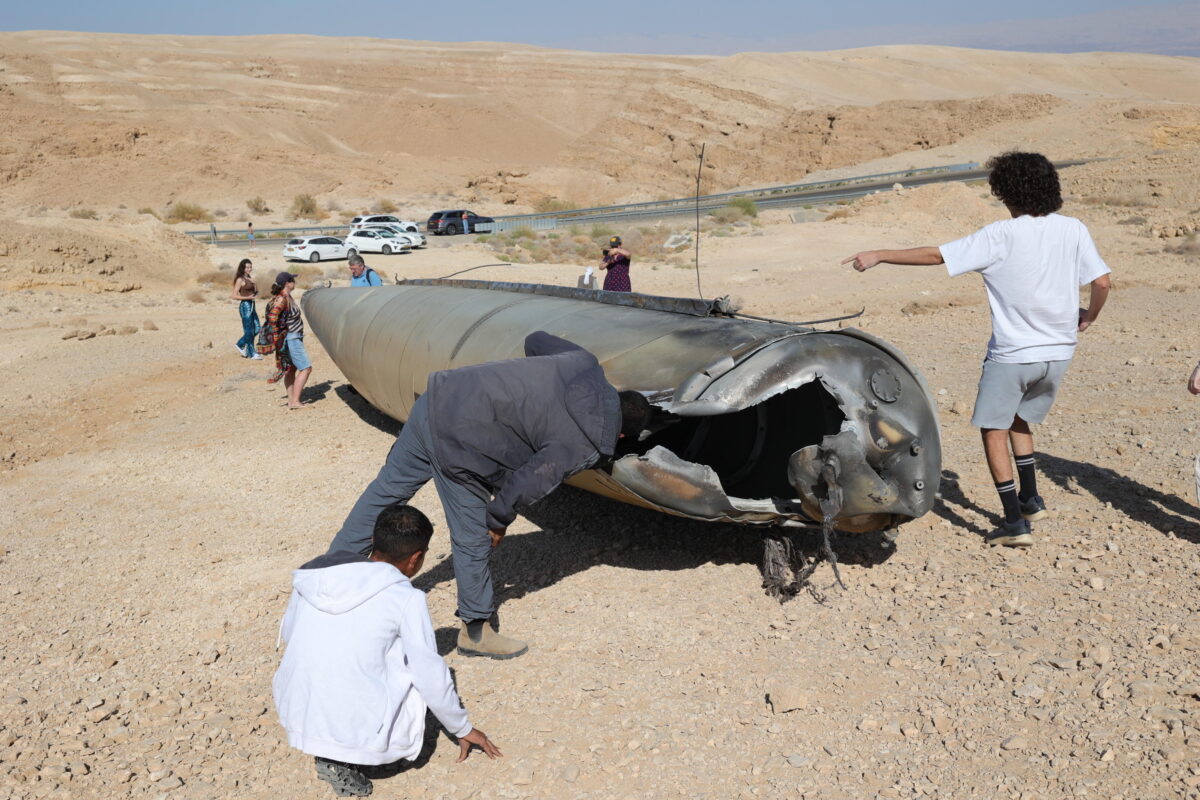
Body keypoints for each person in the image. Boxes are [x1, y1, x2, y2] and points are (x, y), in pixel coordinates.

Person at [327, 331, 653, 659]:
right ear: (622, 432)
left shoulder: (583, 363)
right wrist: (498, 519)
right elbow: (534, 478)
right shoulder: (585, 442)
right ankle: (476, 631)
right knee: (473, 536)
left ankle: (331, 575)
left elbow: (535, 339)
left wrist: (528, 393)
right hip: (466, 446)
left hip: (439, 400)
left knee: (385, 493)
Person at [842, 151, 1111, 548]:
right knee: (1021, 418)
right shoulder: (1074, 229)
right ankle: (1032, 498)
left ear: (1006, 191)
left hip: (1013, 354)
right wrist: (1088, 316)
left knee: (993, 428)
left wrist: (881, 254)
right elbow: (1102, 281)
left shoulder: (999, 235)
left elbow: (938, 255)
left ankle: (1014, 523)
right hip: (1058, 352)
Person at [274, 503, 502, 798]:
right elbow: (428, 672)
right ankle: (344, 755)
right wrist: (462, 727)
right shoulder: (405, 598)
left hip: (297, 706)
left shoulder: (313, 574)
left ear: (373, 542)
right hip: (348, 721)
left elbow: (292, 633)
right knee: (409, 668)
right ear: (415, 559)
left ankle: (326, 737)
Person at [265, 271, 314, 410]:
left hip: (291, 337)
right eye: (292, 280)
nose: (294, 282)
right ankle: (295, 401)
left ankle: (292, 400)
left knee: (291, 369)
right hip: (291, 337)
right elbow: (273, 317)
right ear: (287, 283)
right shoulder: (282, 299)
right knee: (306, 368)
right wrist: (278, 335)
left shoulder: (287, 296)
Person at [231, 259, 263, 360]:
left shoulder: (250, 278)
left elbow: (256, 292)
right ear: (243, 268)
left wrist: (255, 283)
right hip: (245, 306)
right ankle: (251, 353)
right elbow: (234, 295)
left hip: (252, 305)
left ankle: (240, 344)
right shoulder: (240, 280)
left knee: (257, 328)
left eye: (250, 267)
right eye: (247, 267)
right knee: (249, 330)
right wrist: (247, 298)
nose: (249, 269)